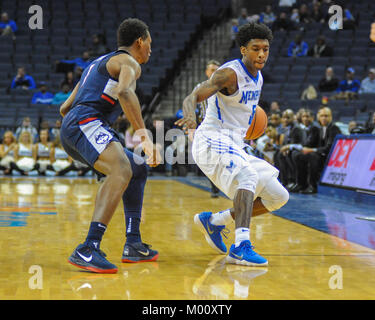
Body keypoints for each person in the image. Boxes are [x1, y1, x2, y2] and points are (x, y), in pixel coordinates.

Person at [176, 22, 289, 266]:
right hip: (211, 137)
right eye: (255, 48)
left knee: (278, 196)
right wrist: (190, 117)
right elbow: (192, 96)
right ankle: (241, 245)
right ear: (243, 50)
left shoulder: (258, 78)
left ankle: (215, 222)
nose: (261, 54)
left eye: (265, 49)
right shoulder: (229, 73)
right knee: (247, 176)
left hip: (234, 143)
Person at [59, 18, 161, 273]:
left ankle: (133, 243)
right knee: (122, 170)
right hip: (86, 122)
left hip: (77, 124)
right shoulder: (129, 62)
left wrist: (81, 132)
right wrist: (145, 138)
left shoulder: (96, 64)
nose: (151, 49)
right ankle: (88, 247)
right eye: (150, 43)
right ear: (139, 41)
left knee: (137, 168)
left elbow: (64, 108)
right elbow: (126, 93)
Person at [192, 59, 221, 197]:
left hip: (223, 127)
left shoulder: (225, 87)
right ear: (207, 72)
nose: (214, 72)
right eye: (212, 70)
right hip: (205, 127)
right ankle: (214, 185)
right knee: (209, 159)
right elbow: (192, 104)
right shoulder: (200, 87)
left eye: (217, 69)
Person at [296, 107, 341, 194]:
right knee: (299, 156)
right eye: (322, 116)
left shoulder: (334, 128)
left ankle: (313, 186)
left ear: (331, 117)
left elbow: (329, 148)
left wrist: (312, 150)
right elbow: (311, 143)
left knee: (313, 156)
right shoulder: (319, 129)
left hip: (330, 156)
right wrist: (304, 149)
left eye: (326, 116)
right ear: (318, 117)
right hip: (321, 154)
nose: (324, 118)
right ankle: (301, 184)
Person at [283, 109, 320, 193]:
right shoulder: (302, 128)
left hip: (314, 151)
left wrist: (292, 146)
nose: (305, 119)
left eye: (308, 116)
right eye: (304, 116)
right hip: (305, 150)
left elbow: (308, 143)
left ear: (312, 118)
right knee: (290, 154)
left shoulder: (315, 128)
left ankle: (310, 185)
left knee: (299, 155)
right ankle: (296, 182)